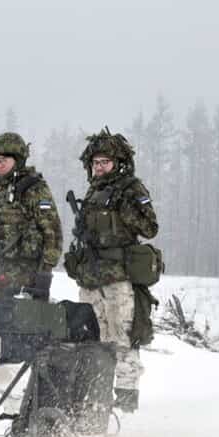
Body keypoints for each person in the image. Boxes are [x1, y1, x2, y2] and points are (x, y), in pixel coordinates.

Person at [64, 128, 160, 412]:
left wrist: (123, 211)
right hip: (92, 276)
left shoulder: (132, 189)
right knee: (94, 339)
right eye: (96, 163)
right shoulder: (92, 190)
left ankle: (127, 400)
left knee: (123, 337)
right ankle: (98, 399)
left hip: (119, 275)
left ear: (118, 162)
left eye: (105, 162)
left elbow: (150, 227)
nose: (100, 167)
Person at [0, 131, 63, 408]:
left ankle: (19, 409)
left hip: (20, 283)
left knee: (15, 350)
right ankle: (12, 407)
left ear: (18, 159)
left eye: (4, 159)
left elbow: (52, 233)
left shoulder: (33, 189)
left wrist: (45, 273)